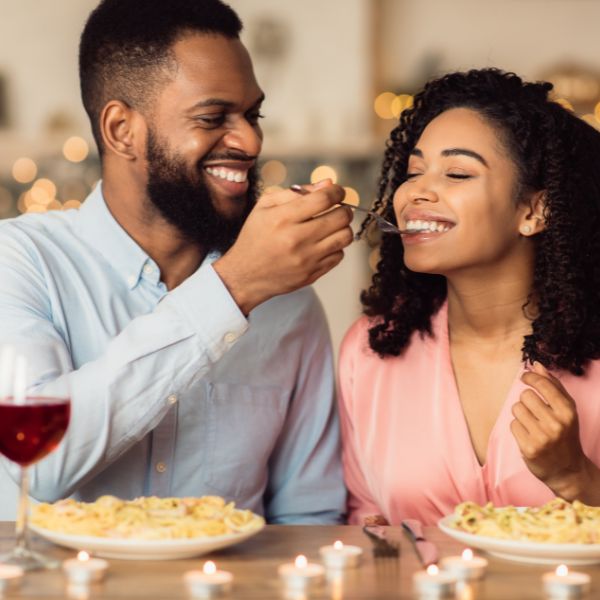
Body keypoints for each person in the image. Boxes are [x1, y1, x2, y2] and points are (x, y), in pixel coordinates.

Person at [0, 0, 354, 524]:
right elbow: (38, 461)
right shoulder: (20, 260)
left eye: (253, 115)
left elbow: (309, 516)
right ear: (122, 130)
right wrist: (233, 289)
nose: (251, 141)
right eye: (213, 118)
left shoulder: (289, 301)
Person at [338, 68, 600, 526]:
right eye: (414, 170)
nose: (415, 191)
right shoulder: (371, 350)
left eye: (457, 173)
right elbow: (366, 517)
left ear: (535, 210)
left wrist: (578, 478)